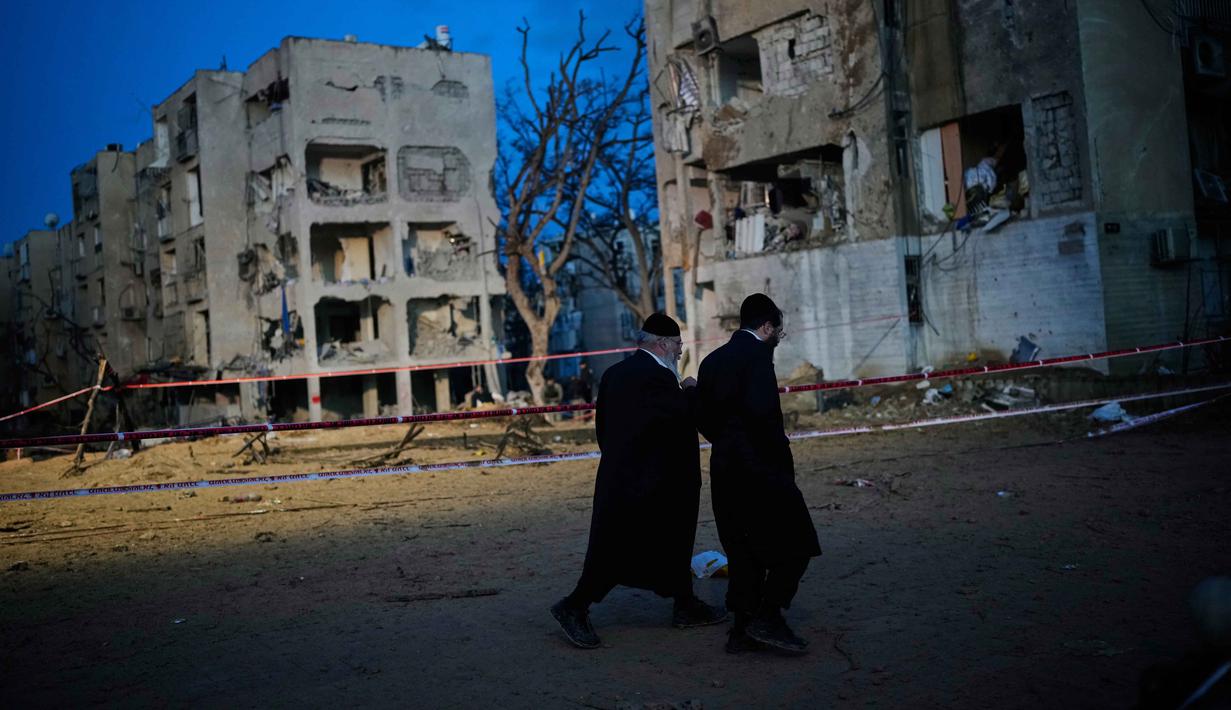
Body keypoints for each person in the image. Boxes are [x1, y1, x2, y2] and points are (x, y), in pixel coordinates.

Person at [551, 313, 727, 649]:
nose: (680, 350)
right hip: (655, 484)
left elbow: (603, 430)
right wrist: (691, 390)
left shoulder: (616, 374)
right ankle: (574, 606)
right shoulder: (658, 379)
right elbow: (683, 417)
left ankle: (685, 604)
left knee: (667, 544)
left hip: (625, 479)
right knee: (619, 551)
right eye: (677, 344)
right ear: (662, 343)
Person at [696, 293, 822, 655]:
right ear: (766, 327)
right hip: (761, 471)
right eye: (777, 334)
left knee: (742, 552)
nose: (777, 341)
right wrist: (782, 471)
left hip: (724, 470)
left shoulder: (712, 361)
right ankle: (768, 616)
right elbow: (765, 419)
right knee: (798, 545)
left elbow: (704, 420)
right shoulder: (757, 359)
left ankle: (741, 630)